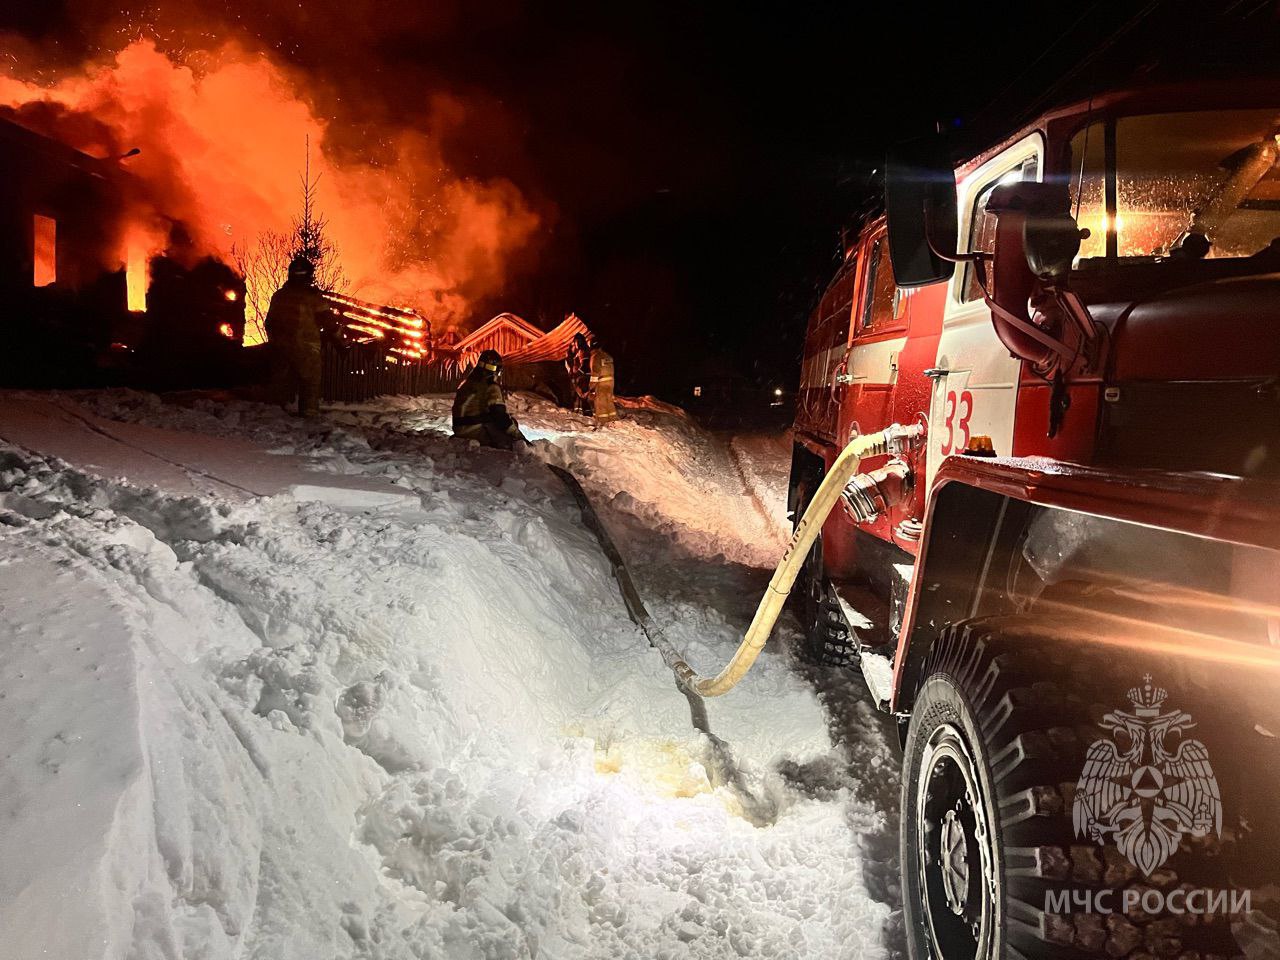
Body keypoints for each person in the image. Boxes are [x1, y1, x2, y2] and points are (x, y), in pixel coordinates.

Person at [264, 255, 328, 417]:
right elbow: (328, 322)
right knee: (310, 382)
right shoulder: (313, 297)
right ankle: (309, 416)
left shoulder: (279, 296)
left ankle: (274, 415)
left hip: (281, 347)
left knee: (280, 381)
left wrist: (274, 342)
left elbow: (269, 322)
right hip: (307, 348)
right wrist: (342, 341)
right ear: (309, 275)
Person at [452, 349, 528, 449]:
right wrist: (519, 437)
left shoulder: (467, 383)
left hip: (459, 428)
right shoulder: (490, 386)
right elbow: (499, 416)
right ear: (496, 371)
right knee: (511, 439)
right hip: (474, 430)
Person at [587, 336, 618, 422]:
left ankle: (602, 421)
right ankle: (613, 419)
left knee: (600, 402)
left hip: (601, 382)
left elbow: (595, 371)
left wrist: (591, 386)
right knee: (609, 400)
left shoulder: (595, 356)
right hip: (611, 381)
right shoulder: (608, 356)